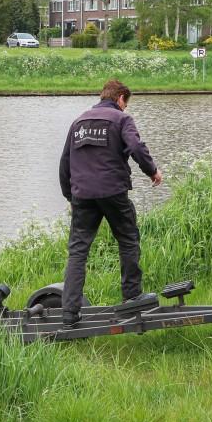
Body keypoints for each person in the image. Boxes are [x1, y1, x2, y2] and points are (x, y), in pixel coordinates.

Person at [59, 79, 162, 326]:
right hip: (113, 192)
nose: (125, 108)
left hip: (82, 195)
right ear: (120, 99)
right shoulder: (121, 119)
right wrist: (152, 171)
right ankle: (132, 297)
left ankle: (69, 312)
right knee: (128, 239)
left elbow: (64, 162)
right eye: (125, 104)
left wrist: (70, 196)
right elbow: (136, 146)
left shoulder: (79, 122)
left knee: (78, 251)